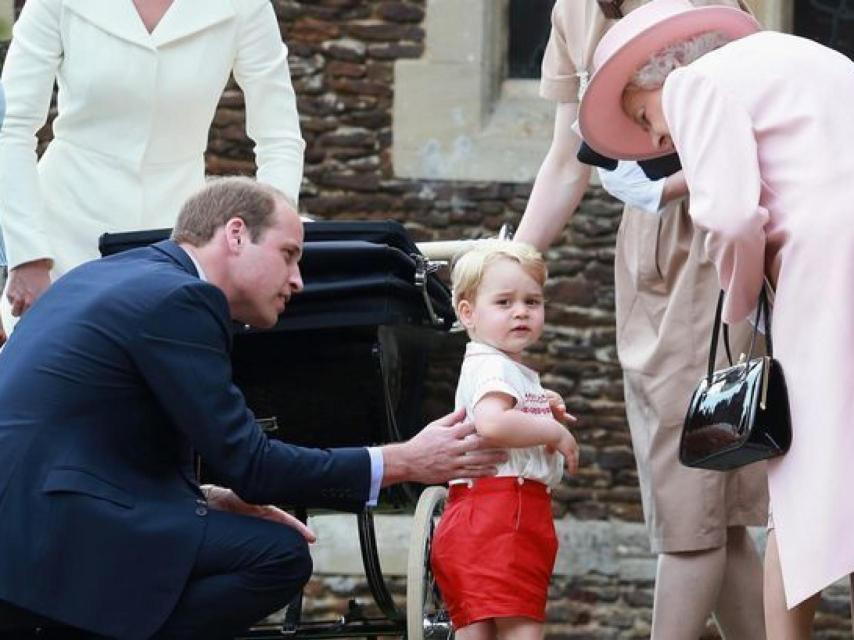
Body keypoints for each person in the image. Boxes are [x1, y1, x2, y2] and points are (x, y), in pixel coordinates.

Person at [0, 177, 507, 640]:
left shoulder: (103, 276)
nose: (298, 280)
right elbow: (254, 466)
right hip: (56, 530)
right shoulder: (183, 298)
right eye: (289, 254)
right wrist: (405, 461)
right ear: (236, 234)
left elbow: (97, 430)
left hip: (30, 517)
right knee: (277, 556)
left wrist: (205, 497)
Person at [577, 0, 854, 636]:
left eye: (643, 117)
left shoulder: (694, 83)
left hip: (824, 276)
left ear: (657, 76)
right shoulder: (809, 55)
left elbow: (728, 218)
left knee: (802, 492)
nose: (654, 141)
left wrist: (741, 309)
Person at [514, 1, 768, 638]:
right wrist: (513, 259)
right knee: (719, 512)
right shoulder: (573, 9)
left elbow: (758, 121)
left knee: (695, 495)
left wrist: (671, 184)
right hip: (646, 252)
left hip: (717, 234)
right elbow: (567, 154)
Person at [0, 0, 305, 329]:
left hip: (178, 244)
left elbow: (279, 137)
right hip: (62, 237)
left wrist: (268, 242)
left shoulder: (246, 6)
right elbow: (10, 128)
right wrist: (29, 254)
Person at [430, 240, 579, 640]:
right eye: (504, 302)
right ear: (467, 313)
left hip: (490, 516)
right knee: (520, 631)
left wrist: (541, 406)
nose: (521, 312)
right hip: (500, 517)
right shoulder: (494, 365)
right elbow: (493, 423)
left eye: (532, 301)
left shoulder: (496, 366)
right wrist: (552, 430)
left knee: (478, 630)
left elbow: (502, 414)